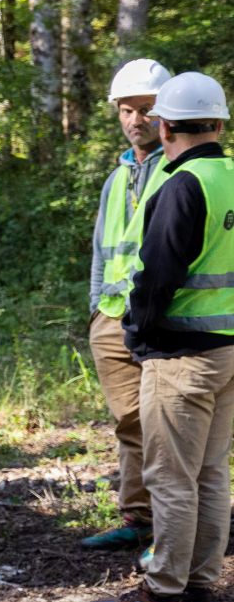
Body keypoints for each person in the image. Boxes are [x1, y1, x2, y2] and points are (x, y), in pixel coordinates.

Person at [96, 72, 234, 602]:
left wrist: (140, 336)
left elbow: (156, 276)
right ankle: (200, 590)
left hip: (180, 355)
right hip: (228, 351)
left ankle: (162, 597)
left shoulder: (182, 183)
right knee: (210, 474)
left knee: (171, 478)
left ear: (165, 125)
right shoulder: (230, 175)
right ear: (220, 124)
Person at [81, 59, 173, 553]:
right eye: (127, 110)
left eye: (147, 110)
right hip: (113, 322)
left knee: (168, 428)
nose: (136, 120)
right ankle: (138, 518)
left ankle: (173, 530)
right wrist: (97, 310)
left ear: (168, 113)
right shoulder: (117, 177)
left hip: (163, 323)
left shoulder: (181, 170)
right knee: (130, 424)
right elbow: (102, 249)